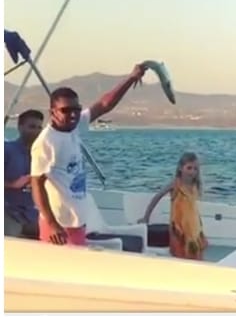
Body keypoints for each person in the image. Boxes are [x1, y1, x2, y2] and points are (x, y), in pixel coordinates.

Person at [29, 63, 148, 246]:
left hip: (77, 220)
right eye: (65, 110)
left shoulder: (74, 127)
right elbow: (37, 184)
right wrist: (52, 225)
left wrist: (131, 78)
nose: (73, 114)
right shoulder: (46, 142)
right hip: (59, 225)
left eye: (76, 109)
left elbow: (103, 105)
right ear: (52, 112)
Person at [137, 152, 208, 260]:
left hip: (193, 227)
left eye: (195, 169)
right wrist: (146, 216)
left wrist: (200, 224)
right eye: (189, 168)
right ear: (180, 168)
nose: (192, 172)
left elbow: (193, 208)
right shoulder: (176, 184)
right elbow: (157, 197)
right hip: (179, 227)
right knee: (181, 255)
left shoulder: (194, 185)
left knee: (197, 253)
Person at [4, 109, 44, 239]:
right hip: (10, 213)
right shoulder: (7, 150)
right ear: (20, 127)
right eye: (31, 127)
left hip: (33, 214)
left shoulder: (43, 154)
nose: (36, 131)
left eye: (39, 127)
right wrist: (13, 184)